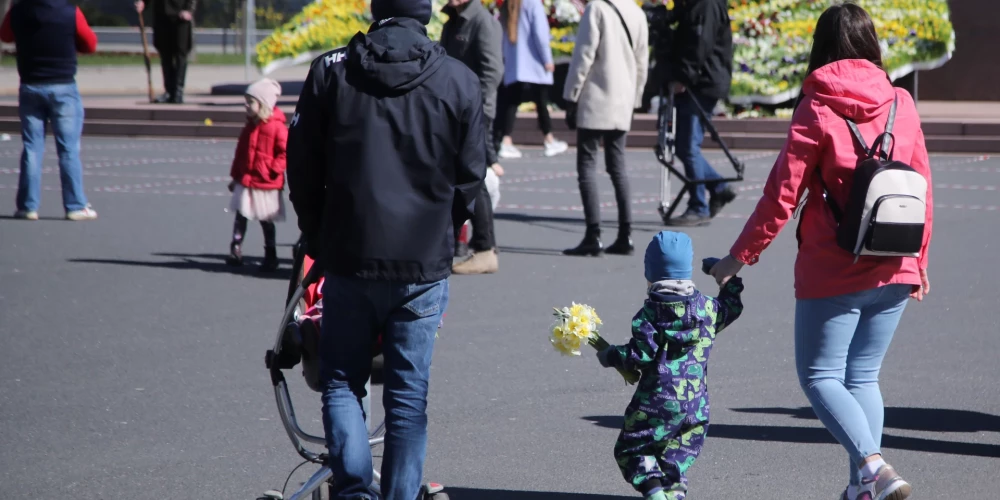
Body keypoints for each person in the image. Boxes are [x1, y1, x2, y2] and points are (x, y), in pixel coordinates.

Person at [709, 5, 933, 500]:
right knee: (864, 377)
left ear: (822, 47)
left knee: (820, 376)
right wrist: (920, 261)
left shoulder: (817, 107)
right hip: (896, 259)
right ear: (872, 44)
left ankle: (873, 468)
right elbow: (923, 185)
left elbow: (781, 196)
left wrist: (737, 259)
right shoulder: (902, 101)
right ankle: (862, 488)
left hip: (834, 267)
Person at [285, 0, 486, 497]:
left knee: (340, 382)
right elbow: (470, 177)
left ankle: (353, 489)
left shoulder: (331, 70)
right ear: (427, 13)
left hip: (349, 252)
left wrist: (316, 234)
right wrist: (444, 228)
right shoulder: (458, 78)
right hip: (422, 258)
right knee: (407, 399)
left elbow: (303, 165)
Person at [596, 231, 744, 500]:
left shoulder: (650, 314)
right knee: (676, 456)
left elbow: (639, 355)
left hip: (656, 400)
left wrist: (611, 356)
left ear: (649, 273)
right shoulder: (708, 310)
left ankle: (654, 493)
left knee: (634, 449)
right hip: (695, 404)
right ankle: (672, 494)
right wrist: (725, 278)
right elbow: (731, 306)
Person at [561, 0, 649, 256]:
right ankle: (625, 234)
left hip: (595, 98)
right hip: (622, 100)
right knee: (617, 167)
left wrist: (571, 95)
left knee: (587, 166)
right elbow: (642, 62)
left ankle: (593, 234)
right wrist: (635, 99)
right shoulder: (636, 12)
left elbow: (584, 55)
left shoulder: (597, 8)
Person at [1, 0, 99, 221]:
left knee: (32, 148)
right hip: (63, 85)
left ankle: (27, 206)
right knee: (68, 149)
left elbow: (5, 35)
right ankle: (75, 205)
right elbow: (90, 44)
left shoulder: (18, 10)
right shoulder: (69, 11)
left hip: (30, 84)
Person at [440, 0, 504, 274]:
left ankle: (485, 248)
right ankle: (457, 243)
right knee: (455, 176)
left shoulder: (481, 21)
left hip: (473, 112)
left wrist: (480, 112)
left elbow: (492, 72)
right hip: (451, 111)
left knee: (473, 176)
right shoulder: (453, 21)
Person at [663, 0, 737, 227]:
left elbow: (699, 43)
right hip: (701, 79)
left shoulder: (706, 5)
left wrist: (683, 76)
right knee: (686, 147)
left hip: (701, 82)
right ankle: (718, 187)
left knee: (687, 146)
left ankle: (698, 206)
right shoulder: (699, 4)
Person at [225, 78, 287, 272]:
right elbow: (240, 154)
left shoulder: (277, 127)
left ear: (264, 104)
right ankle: (235, 248)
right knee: (241, 214)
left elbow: (285, 152)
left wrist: (273, 169)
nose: (246, 105)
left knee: (266, 220)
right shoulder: (249, 128)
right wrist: (235, 176)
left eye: (250, 101)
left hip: (265, 182)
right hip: (247, 180)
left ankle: (271, 254)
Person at [495, 0, 569, 159]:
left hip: (515, 62)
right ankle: (548, 139)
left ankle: (506, 140)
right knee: (541, 102)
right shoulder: (533, 3)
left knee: (511, 102)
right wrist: (547, 59)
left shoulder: (509, 4)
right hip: (534, 61)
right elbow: (540, 34)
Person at [135, 0, 194, 104]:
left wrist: (189, 9)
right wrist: (143, 2)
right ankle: (169, 92)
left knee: (180, 55)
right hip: (162, 16)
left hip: (181, 16)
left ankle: (178, 92)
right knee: (165, 55)